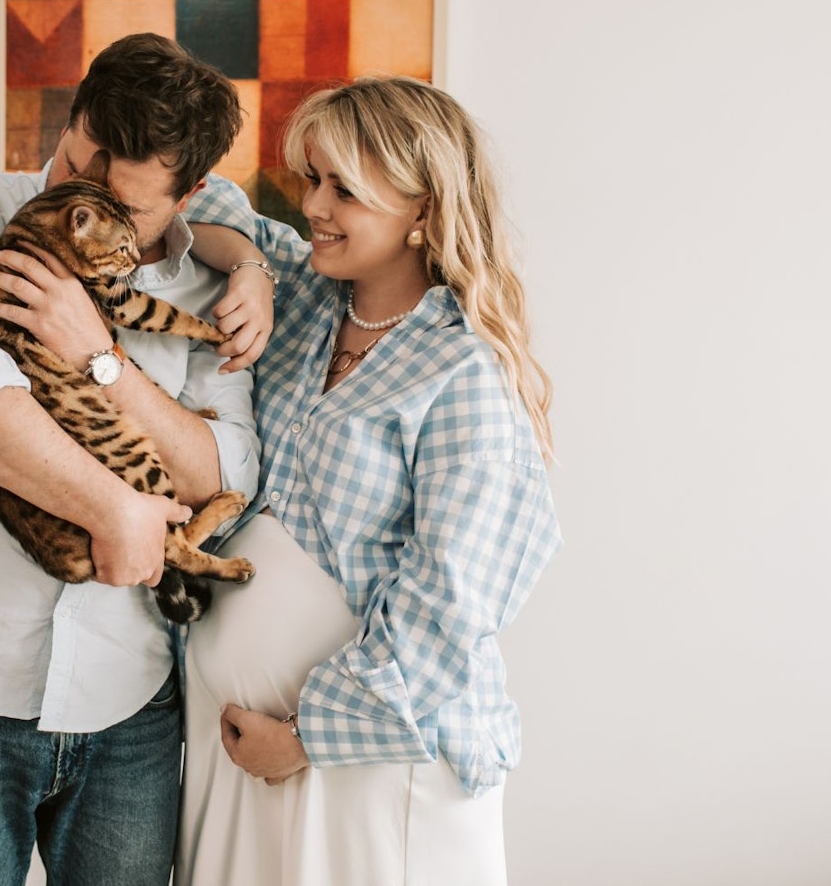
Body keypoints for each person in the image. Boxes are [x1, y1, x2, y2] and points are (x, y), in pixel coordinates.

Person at [0, 32, 264, 886]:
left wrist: (102, 359)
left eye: (115, 198)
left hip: (130, 710)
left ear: (189, 193)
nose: (74, 202)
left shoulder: (214, 282)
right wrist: (113, 509)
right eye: (70, 161)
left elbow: (225, 473)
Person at [171, 76, 564, 885]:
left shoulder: (464, 370)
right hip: (239, 755)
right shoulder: (308, 298)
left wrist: (310, 733)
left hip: (372, 762)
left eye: (342, 188)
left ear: (422, 210)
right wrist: (247, 264)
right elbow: (199, 211)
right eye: (311, 177)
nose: (311, 204)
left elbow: (453, 597)